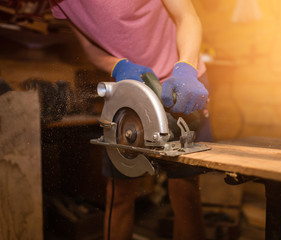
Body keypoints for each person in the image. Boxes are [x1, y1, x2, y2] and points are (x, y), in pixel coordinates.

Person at [49, 0, 213, 239]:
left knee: (185, 193)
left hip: (181, 83)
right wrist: (118, 65)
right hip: (130, 88)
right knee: (119, 195)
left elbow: (187, 17)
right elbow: (90, 47)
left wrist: (187, 68)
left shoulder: (184, 76)